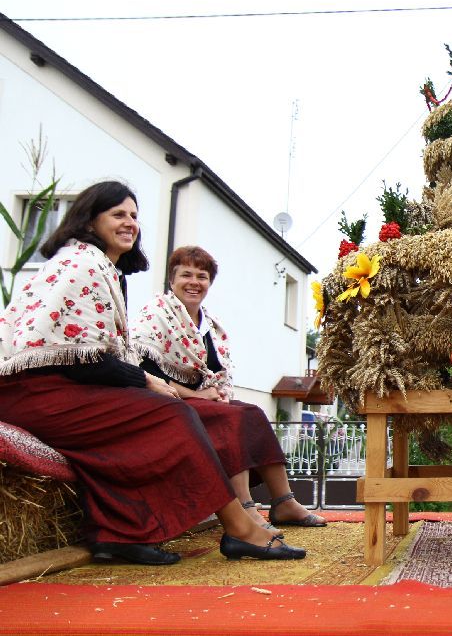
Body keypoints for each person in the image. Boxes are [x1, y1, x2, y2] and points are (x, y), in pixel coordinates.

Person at [0, 181, 306, 564]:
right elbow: (83, 359)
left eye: (134, 216)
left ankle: (122, 535)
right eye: (118, 215)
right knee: (171, 417)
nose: (130, 223)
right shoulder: (84, 266)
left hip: (57, 386)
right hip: (36, 393)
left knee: (225, 413)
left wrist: (157, 387)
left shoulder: (101, 268)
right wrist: (152, 383)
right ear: (90, 221)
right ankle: (240, 526)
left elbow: (95, 360)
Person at [132, 246, 326, 528]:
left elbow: (214, 373)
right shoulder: (156, 313)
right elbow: (145, 370)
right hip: (164, 400)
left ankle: (284, 501)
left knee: (253, 413)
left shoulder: (209, 325)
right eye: (186, 274)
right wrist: (197, 395)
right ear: (171, 281)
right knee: (231, 418)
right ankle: (244, 509)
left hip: (199, 400)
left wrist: (215, 394)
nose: (194, 282)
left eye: (202, 276)